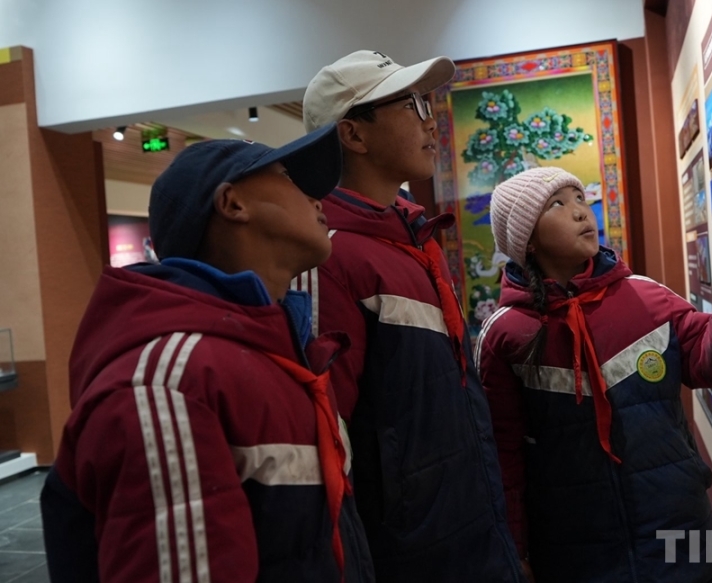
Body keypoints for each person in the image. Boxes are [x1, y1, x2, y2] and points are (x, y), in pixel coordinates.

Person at [40, 128, 374, 582]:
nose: (318, 200)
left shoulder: (280, 352)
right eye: (288, 178)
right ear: (232, 203)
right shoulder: (171, 383)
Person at [476, 166, 712, 582]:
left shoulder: (645, 296)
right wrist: (513, 550)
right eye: (557, 204)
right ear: (526, 240)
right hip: (575, 555)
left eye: (580, 198)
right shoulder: (505, 333)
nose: (580, 211)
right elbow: (502, 454)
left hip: (683, 533)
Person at [301, 50, 525, 582]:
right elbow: (328, 438)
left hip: (471, 529)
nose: (430, 121)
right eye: (411, 105)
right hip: (410, 553)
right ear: (353, 134)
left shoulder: (414, 237)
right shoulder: (329, 256)